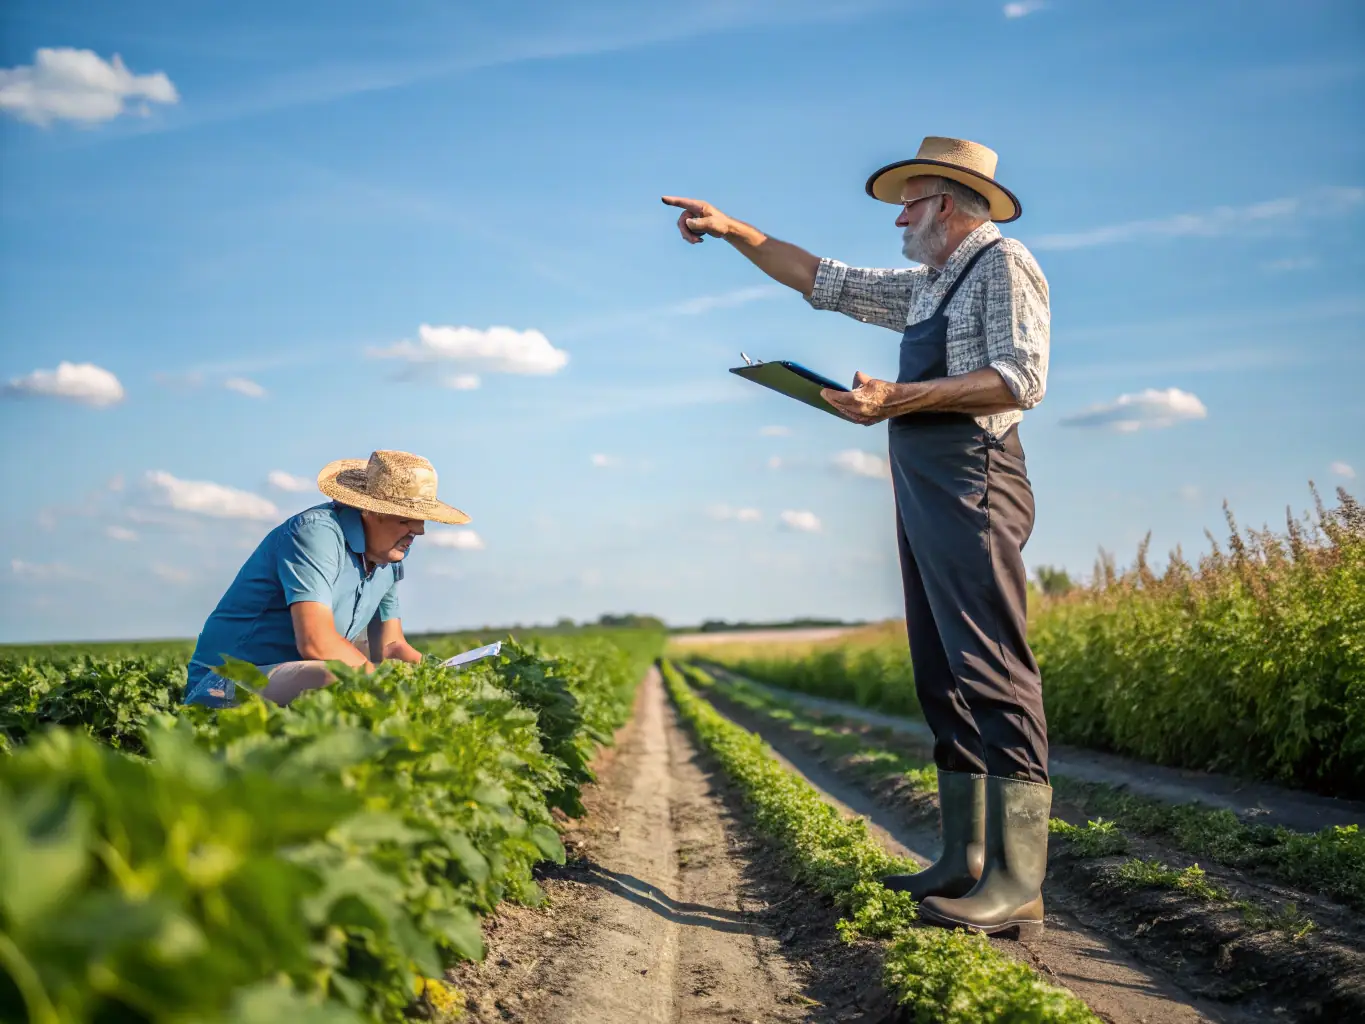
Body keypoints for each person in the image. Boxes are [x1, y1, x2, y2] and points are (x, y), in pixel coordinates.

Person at [662, 136, 1052, 938]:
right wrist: (733, 229)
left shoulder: (1002, 264)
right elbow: (822, 279)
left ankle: (1018, 883)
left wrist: (900, 397)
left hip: (973, 475)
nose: (898, 217)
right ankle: (961, 860)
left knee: (990, 663)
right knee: (941, 671)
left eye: (907, 202)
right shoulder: (929, 283)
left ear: (945, 202)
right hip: (927, 485)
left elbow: (1020, 378)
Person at [182, 449, 469, 708]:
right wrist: (387, 685)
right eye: (405, 518)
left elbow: (390, 646)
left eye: (421, 520)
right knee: (335, 677)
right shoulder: (316, 533)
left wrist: (441, 678)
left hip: (288, 678)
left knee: (363, 673)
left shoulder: (388, 558)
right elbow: (316, 642)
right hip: (222, 686)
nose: (418, 531)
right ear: (369, 510)